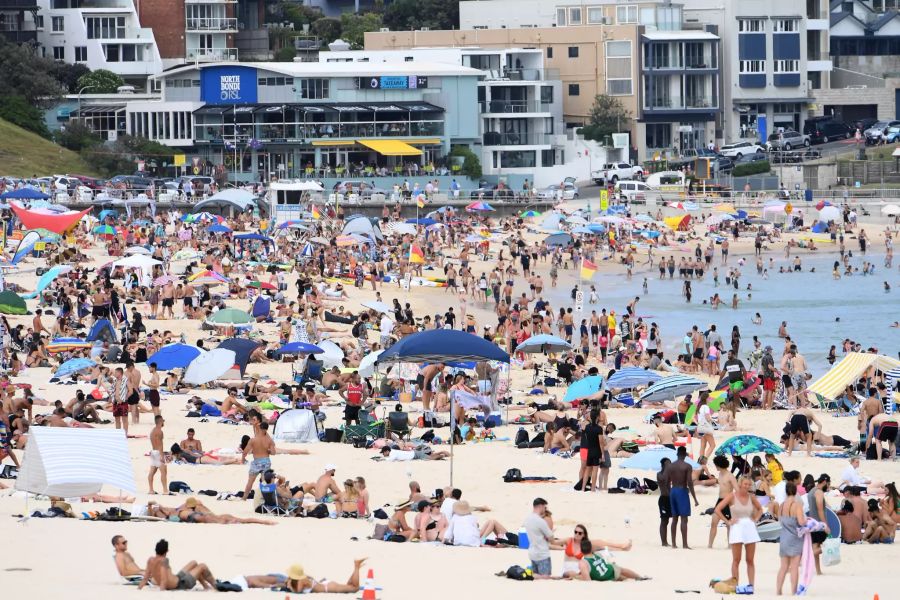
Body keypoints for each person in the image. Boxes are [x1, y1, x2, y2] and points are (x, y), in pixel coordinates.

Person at [714, 476, 762, 594]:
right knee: (736, 559)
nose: (747, 486)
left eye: (748, 484)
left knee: (750, 560)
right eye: (745, 484)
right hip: (737, 528)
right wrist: (728, 521)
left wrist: (755, 519)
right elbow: (717, 509)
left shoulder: (751, 497)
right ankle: (736, 584)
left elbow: (760, 509)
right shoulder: (732, 496)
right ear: (740, 484)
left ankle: (751, 585)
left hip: (749, 528)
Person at [138, 539, 215, 591]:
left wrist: (138, 589)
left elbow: (145, 578)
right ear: (167, 551)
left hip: (177, 577)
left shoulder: (150, 560)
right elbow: (164, 580)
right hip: (181, 584)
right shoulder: (164, 560)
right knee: (202, 566)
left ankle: (206, 586)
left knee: (194, 563)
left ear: (156, 550)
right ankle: (216, 586)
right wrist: (160, 594)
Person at [561, 525, 632, 576]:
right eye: (575, 532)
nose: (577, 534)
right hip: (569, 570)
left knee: (600, 544)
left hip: (580, 569)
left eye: (579, 533)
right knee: (600, 544)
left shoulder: (586, 544)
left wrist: (620, 549)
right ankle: (622, 547)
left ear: (584, 535)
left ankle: (621, 546)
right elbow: (554, 543)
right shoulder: (569, 540)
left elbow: (604, 547)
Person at [776, 481, 807, 595]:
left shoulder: (782, 505)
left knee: (783, 567)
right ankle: (793, 591)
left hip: (784, 538)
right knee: (794, 567)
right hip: (794, 538)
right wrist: (806, 521)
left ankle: (778, 590)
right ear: (795, 491)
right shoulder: (796, 505)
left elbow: (780, 520)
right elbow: (801, 522)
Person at [569, 539, 648, 582]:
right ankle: (639, 577)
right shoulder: (596, 554)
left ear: (581, 551)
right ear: (591, 548)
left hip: (603, 577)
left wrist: (576, 577)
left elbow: (587, 579)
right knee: (621, 570)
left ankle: (631, 579)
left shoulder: (583, 562)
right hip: (609, 571)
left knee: (620, 575)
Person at [668, 446, 698, 549]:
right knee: (684, 519)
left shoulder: (671, 466)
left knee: (674, 519)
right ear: (685, 455)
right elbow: (689, 482)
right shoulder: (687, 466)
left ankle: (673, 544)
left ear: (677, 454)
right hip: (682, 491)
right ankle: (684, 544)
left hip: (673, 491)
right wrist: (695, 498)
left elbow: (667, 481)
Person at [280, 559, 367, 594]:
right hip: (325, 584)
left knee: (355, 588)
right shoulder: (304, 577)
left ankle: (356, 566)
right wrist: (289, 581)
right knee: (349, 586)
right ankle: (356, 567)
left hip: (328, 587)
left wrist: (289, 585)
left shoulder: (301, 580)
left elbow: (298, 591)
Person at [241, 421, 275, 499]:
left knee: (250, 482)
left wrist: (243, 459)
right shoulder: (269, 440)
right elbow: (273, 453)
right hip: (266, 461)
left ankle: (244, 498)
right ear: (267, 429)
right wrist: (268, 451)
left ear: (259, 428)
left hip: (256, 462)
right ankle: (265, 498)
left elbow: (245, 452)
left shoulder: (253, 440)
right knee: (264, 482)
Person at [709, 455, 737, 548]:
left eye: (716, 465)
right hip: (719, 500)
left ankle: (730, 545)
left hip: (728, 501)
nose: (715, 466)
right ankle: (710, 545)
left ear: (719, 465)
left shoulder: (730, 476)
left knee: (729, 525)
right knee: (714, 522)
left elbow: (737, 490)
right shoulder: (720, 474)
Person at [807, 474, 832, 575]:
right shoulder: (819, 492)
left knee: (815, 547)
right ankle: (803, 559)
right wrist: (825, 525)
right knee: (826, 546)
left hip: (812, 524)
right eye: (829, 484)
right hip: (819, 525)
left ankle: (818, 570)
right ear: (825, 482)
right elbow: (820, 510)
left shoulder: (812, 490)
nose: (829, 487)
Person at [523, 497, 554, 578]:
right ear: (540, 506)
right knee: (545, 577)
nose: (545, 509)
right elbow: (551, 538)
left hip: (532, 552)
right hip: (542, 553)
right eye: (544, 507)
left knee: (536, 578)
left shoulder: (527, 519)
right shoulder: (540, 521)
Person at [148, 415, 168, 495]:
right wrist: (162, 455)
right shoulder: (159, 431)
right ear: (160, 422)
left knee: (152, 471)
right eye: (163, 421)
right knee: (164, 471)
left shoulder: (153, 431)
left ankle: (151, 489)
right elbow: (160, 444)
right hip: (158, 453)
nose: (163, 422)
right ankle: (165, 490)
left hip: (153, 452)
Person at [657, 457, 672, 547]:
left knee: (668, 521)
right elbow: (665, 481)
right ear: (663, 465)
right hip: (663, 499)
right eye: (667, 464)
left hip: (670, 499)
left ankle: (667, 541)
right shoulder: (659, 474)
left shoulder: (670, 474)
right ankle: (664, 542)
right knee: (664, 520)